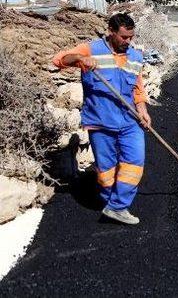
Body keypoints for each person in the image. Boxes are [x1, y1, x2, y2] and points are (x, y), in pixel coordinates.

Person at [53, 13, 151, 225]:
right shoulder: (92, 49)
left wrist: (142, 109)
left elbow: (137, 87)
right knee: (106, 171)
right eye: (124, 37)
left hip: (129, 119)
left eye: (131, 37)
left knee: (135, 162)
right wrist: (79, 59)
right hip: (100, 121)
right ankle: (109, 202)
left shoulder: (135, 56)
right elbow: (59, 59)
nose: (128, 41)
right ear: (111, 32)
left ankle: (118, 206)